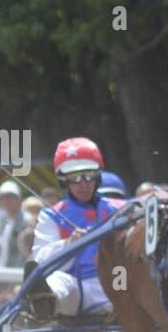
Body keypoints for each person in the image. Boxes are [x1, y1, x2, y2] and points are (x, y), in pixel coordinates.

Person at [21, 137, 120, 321]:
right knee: (57, 280)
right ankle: (42, 303)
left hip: (117, 285)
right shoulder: (51, 216)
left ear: (98, 176)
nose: (83, 183)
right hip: (77, 290)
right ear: (64, 180)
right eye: (75, 178)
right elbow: (40, 260)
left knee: (126, 272)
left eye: (89, 175)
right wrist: (69, 244)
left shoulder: (119, 209)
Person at [0, 180, 26, 266]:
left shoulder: (26, 221)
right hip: (2, 272)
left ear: (18, 198)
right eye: (1, 198)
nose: (5, 201)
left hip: (16, 274)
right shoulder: (1, 220)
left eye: (9, 197)